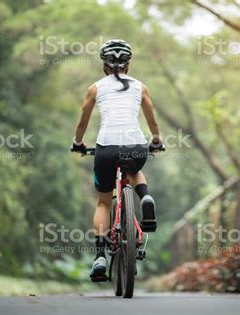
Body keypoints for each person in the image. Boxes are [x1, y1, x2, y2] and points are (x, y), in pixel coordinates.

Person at [71, 39, 163, 281]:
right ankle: (145, 198)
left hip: (107, 149)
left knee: (103, 203)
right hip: (136, 146)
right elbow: (152, 118)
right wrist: (155, 140)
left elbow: (83, 121)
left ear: (104, 65)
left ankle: (100, 256)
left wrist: (78, 142)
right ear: (128, 65)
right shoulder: (140, 87)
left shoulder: (95, 88)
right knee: (134, 170)